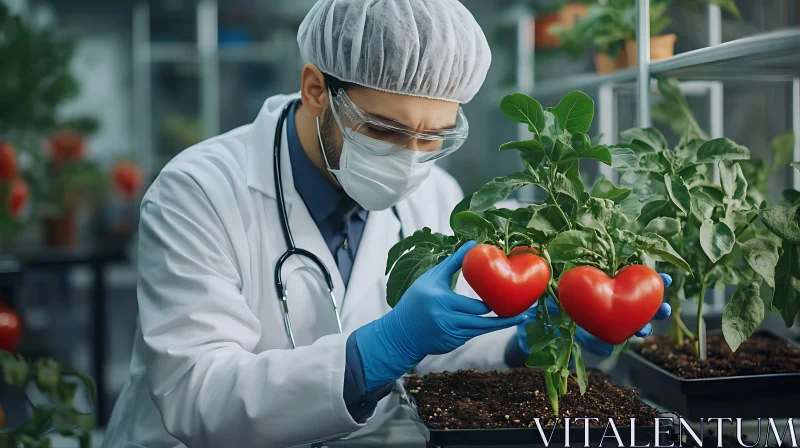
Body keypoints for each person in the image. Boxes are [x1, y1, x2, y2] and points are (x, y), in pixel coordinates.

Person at [103, 1, 670, 447]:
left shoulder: (435, 194)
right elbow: (195, 397)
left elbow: (438, 355)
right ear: (317, 89)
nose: (409, 157)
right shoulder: (198, 192)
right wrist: (378, 349)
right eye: (384, 130)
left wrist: (524, 343)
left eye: (433, 137)